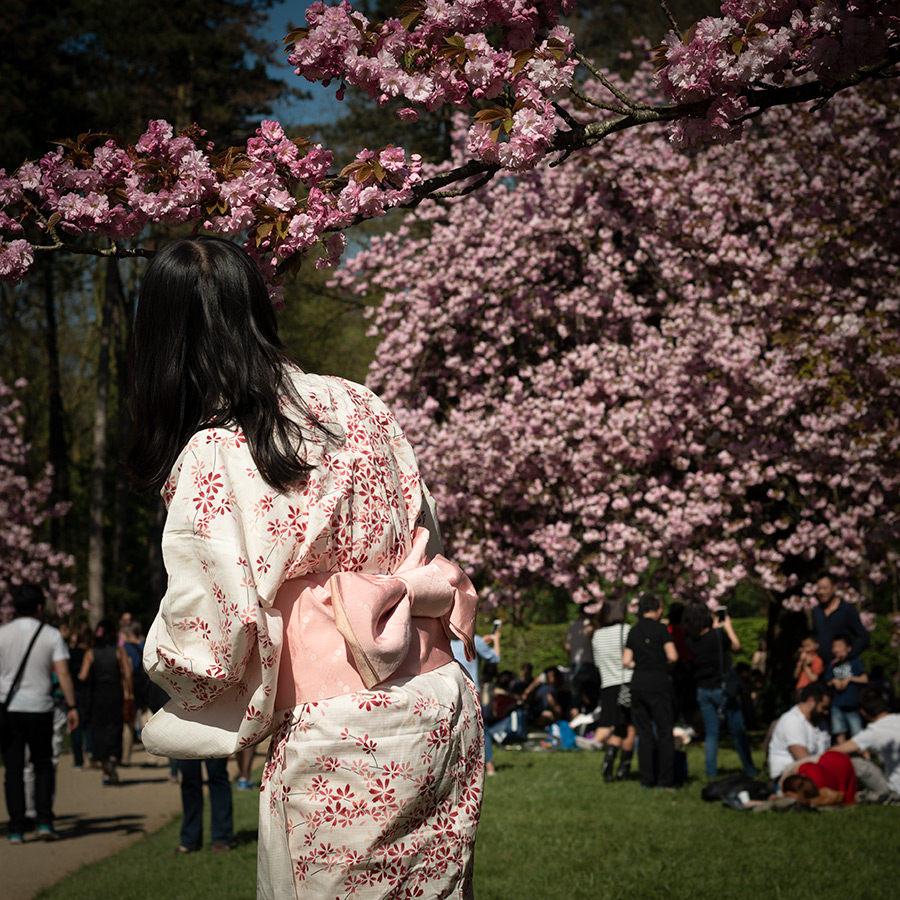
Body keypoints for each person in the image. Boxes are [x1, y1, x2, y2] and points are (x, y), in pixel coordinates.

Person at [130, 236, 482, 899]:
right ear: (258, 308)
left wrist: (174, 687)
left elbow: (210, 632)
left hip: (342, 728)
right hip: (441, 704)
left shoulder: (216, 452)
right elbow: (422, 534)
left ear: (161, 341)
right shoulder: (363, 405)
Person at [0, 584, 78, 843]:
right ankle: (44, 821)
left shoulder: (2, 634)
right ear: (38, 607)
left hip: (9, 708)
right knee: (42, 765)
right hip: (40, 707)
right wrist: (72, 705)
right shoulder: (51, 635)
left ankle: (16, 828)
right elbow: (63, 673)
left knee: (13, 769)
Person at [683, 603, 757, 780]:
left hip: (703, 689)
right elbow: (736, 646)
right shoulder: (717, 635)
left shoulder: (689, 641)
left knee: (711, 734)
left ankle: (711, 773)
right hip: (723, 689)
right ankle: (750, 769)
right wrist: (728, 627)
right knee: (737, 730)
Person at [623, 592, 678, 790]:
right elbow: (673, 655)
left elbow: (625, 661)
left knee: (644, 734)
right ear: (656, 609)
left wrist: (639, 663)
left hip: (638, 685)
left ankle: (646, 779)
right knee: (664, 733)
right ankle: (666, 780)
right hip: (659, 684)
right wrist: (660, 662)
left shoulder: (634, 631)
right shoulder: (662, 630)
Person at [79, 620, 133, 785]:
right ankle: (112, 758)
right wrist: (129, 693)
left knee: (99, 730)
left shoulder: (90, 653)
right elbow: (127, 674)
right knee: (114, 726)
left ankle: (104, 769)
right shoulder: (119, 651)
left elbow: (82, 675)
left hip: (98, 695)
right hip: (114, 693)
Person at [590, 597, 636, 781]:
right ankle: (623, 769)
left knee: (619, 727)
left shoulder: (597, 635)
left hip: (608, 685)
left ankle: (608, 764)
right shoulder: (626, 631)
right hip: (627, 683)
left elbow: (597, 663)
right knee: (631, 728)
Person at [832, 685, 900, 801]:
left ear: (863, 712)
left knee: (857, 763)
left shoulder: (874, 731)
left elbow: (835, 751)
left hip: (896, 788)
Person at [767, 682, 832, 781]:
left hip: (813, 773)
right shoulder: (792, 721)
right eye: (824, 708)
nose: (826, 712)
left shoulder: (820, 722)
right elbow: (804, 760)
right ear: (811, 701)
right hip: (789, 779)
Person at [175, 757, 234, 853]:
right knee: (189, 779)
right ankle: (190, 839)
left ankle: (221, 838)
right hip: (185, 742)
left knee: (218, 776)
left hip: (214, 742)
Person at [811, 574, 869, 666]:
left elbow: (864, 637)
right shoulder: (816, 611)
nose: (821, 592)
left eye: (825, 588)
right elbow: (816, 637)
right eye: (819, 588)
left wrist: (848, 655)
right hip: (822, 668)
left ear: (834, 588)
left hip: (844, 667)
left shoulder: (847, 610)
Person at [825, 634, 868, 742]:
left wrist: (849, 679)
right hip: (836, 704)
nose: (836, 649)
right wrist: (834, 681)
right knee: (839, 732)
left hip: (852, 704)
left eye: (839, 646)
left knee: (858, 733)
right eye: (834, 646)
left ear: (848, 648)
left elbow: (864, 679)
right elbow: (827, 682)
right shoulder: (832, 664)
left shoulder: (854, 661)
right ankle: (842, 757)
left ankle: (865, 757)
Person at [782, 749, 857, 806]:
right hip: (832, 759)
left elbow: (840, 796)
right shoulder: (807, 769)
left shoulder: (821, 789)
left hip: (838, 764)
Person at [565, 611, 600, 715]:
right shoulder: (588, 623)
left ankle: (574, 725)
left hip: (574, 663)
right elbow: (591, 634)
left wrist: (570, 660)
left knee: (576, 698)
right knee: (591, 697)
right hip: (587, 663)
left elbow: (567, 646)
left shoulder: (572, 625)